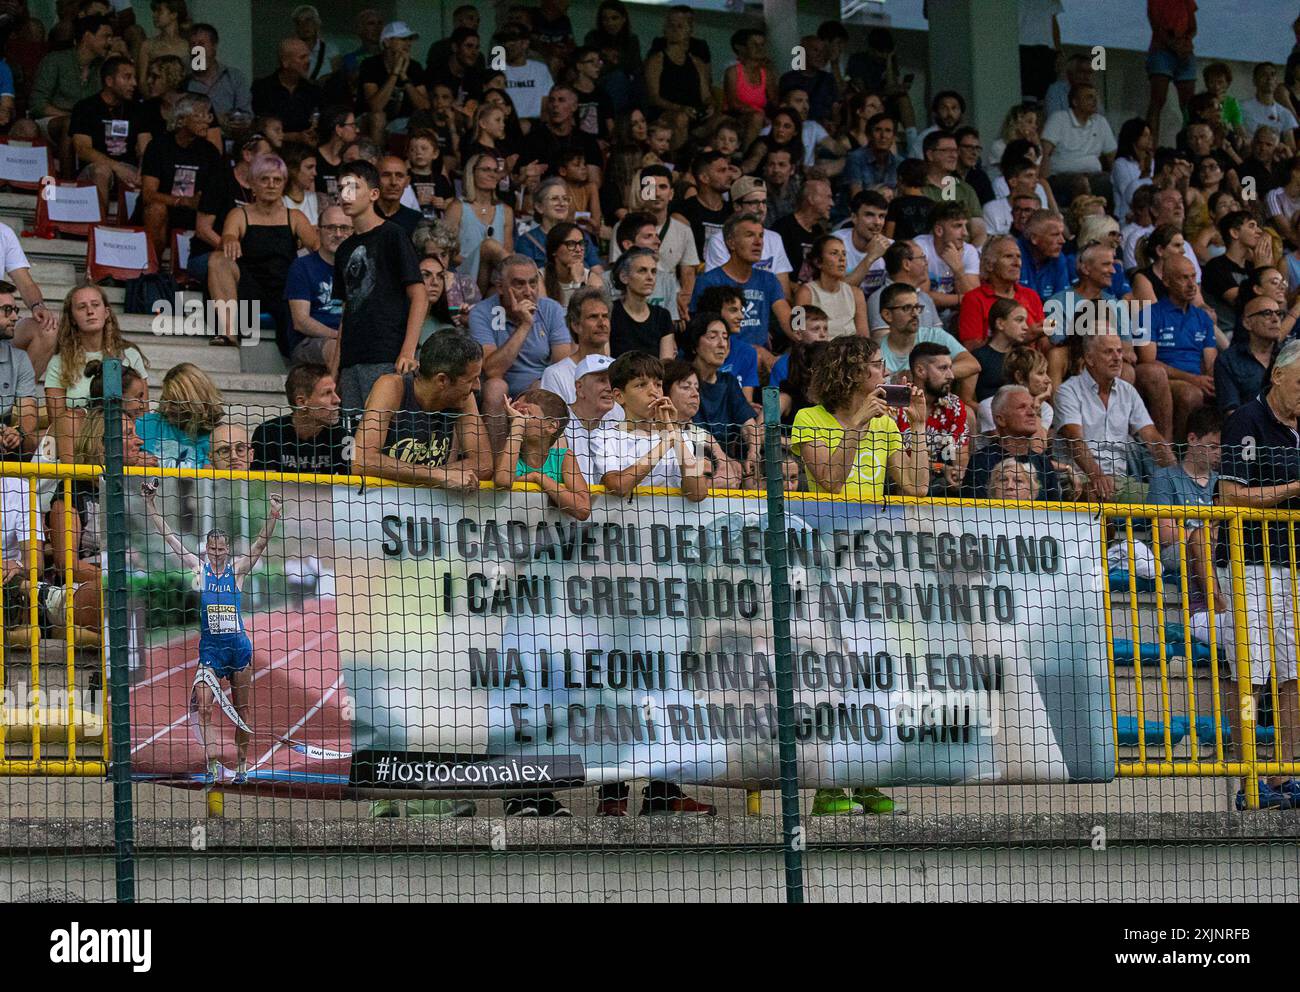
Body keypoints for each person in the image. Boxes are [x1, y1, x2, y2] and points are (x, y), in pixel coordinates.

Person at [790, 335, 927, 815]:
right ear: (849, 372)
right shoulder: (809, 420)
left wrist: (919, 429)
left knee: (872, 670)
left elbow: (916, 486)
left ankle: (864, 775)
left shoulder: (886, 422)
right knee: (829, 672)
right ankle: (829, 785)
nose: (883, 371)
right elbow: (827, 480)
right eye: (873, 364)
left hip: (869, 561)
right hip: (820, 558)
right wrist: (856, 425)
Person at [143, 479, 283, 786]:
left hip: (239, 651)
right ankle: (212, 763)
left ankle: (243, 765)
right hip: (210, 652)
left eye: (221, 549)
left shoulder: (239, 570)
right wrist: (151, 506)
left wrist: (273, 514)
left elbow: (260, 544)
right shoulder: (198, 569)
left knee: (242, 710)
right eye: (212, 549)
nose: (216, 553)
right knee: (203, 706)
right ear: (206, 549)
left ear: (227, 549)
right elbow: (169, 538)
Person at [1216, 339, 1300, 809]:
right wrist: (1294, 488)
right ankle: (1250, 770)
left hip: (1295, 565)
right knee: (1252, 673)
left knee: (1293, 674)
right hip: (1251, 563)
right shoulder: (1247, 421)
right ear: (1279, 377)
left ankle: (1285, 771)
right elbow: (1229, 495)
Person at [330, 161, 426, 414]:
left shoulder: (392, 234)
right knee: (354, 438)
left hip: (387, 353)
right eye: (341, 189)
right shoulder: (343, 249)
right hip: (352, 358)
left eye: (353, 187)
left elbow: (419, 296)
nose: (345, 195)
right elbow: (346, 310)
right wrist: (335, 368)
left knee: (385, 434)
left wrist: (407, 351)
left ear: (374, 193)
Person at [351, 330, 492, 488]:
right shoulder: (392, 388)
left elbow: (483, 464)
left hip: (426, 505)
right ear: (442, 380)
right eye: (471, 380)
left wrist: (429, 476)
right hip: (378, 503)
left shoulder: (463, 397)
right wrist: (438, 475)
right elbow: (362, 460)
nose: (477, 387)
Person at [209, 153, 319, 351]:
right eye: (264, 179)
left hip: (284, 287)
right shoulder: (240, 214)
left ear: (284, 184)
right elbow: (228, 235)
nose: (271, 185)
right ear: (252, 183)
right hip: (249, 286)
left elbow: (318, 248)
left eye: (277, 180)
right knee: (218, 260)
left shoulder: (294, 216)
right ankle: (228, 333)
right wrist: (230, 239)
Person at [1055, 330, 1174, 502]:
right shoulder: (1069, 391)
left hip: (1120, 482)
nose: (1117, 357)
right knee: (1093, 496)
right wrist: (1097, 476)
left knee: (1171, 499)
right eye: (1108, 351)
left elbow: (1152, 437)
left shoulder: (1128, 391)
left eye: (1119, 351)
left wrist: (1179, 479)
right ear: (1089, 358)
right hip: (1080, 480)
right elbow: (1075, 441)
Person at [469, 255, 572, 451]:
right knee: (495, 387)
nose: (528, 291)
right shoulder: (482, 312)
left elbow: (562, 366)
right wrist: (525, 325)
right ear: (500, 286)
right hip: (501, 392)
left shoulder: (551, 309)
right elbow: (492, 370)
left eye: (533, 283)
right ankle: (498, 462)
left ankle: (542, 462)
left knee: (544, 386)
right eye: (519, 284)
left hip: (536, 385)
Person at [44, 285, 147, 463]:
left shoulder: (130, 355)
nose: (90, 311)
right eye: (82, 307)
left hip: (124, 446)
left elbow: (141, 411)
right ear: (73, 318)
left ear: (106, 312)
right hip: (75, 448)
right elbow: (58, 421)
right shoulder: (58, 363)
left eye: (95, 305)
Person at [691, 212, 793, 365]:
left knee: (785, 372)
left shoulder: (768, 279)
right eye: (750, 235)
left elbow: (788, 318)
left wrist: (806, 328)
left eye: (761, 236)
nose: (758, 242)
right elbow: (704, 332)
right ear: (731, 243)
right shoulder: (709, 281)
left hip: (762, 363)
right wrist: (751, 350)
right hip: (724, 361)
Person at [139, 93, 223, 262]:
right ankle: (152, 268)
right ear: (182, 119)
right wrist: (184, 201)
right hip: (164, 213)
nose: (206, 121)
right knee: (156, 209)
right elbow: (148, 194)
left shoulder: (210, 152)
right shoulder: (158, 146)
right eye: (199, 115)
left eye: (208, 115)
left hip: (195, 215)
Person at [30, 14, 116, 174]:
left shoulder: (102, 68)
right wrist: (74, 117)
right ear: (87, 36)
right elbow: (38, 104)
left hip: (88, 126)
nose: (110, 42)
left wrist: (115, 64)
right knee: (71, 123)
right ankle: (68, 183)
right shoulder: (55, 60)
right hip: (51, 122)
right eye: (106, 36)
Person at [683, 311, 760, 480]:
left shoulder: (729, 382)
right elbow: (685, 427)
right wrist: (722, 459)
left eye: (725, 337)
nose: (722, 344)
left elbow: (748, 424)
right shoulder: (681, 378)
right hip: (691, 457)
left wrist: (754, 452)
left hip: (726, 460)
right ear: (695, 344)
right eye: (713, 337)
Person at [494, 387, 591, 521]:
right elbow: (503, 481)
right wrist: (517, 426)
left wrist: (538, 477)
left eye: (524, 413)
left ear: (551, 426)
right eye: (515, 413)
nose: (518, 418)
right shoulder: (508, 453)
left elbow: (583, 509)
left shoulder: (563, 458)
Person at [1150, 254, 1217, 440]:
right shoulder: (1150, 314)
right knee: (1190, 394)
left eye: (1193, 277)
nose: (1191, 284)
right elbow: (1148, 362)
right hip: (1167, 380)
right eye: (1183, 278)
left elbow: (1211, 360)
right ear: (1166, 281)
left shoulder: (1203, 317)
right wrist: (1193, 379)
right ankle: (1177, 453)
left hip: (1198, 379)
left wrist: (1214, 379)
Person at [894, 341, 975, 496]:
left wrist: (954, 473)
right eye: (943, 368)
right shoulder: (897, 405)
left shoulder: (954, 405)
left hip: (941, 489)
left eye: (950, 368)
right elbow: (898, 466)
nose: (951, 376)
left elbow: (960, 461)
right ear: (920, 371)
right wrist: (942, 468)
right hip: (901, 487)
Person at [68, 54, 144, 213]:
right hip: (94, 169)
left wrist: (142, 171)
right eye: (127, 77)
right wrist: (117, 167)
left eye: (134, 78)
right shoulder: (85, 107)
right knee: (102, 170)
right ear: (109, 81)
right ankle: (99, 225)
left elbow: (145, 146)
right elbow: (82, 150)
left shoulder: (137, 109)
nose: (134, 83)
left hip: (129, 170)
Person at [963, 385, 1064, 500]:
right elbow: (974, 512)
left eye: (1032, 407)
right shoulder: (981, 462)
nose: (1032, 413)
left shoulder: (1043, 463)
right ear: (1001, 419)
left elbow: (1054, 513)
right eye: (1022, 407)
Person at [701, 176, 793, 294]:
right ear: (737, 206)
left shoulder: (775, 238)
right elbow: (721, 290)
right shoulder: (719, 240)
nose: (761, 208)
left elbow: (783, 292)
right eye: (754, 203)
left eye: (764, 202)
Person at [283, 205, 349, 367]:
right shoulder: (302, 266)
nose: (338, 234)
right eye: (331, 228)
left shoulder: (360, 269)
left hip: (350, 340)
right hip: (310, 343)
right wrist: (338, 336)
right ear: (318, 232)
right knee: (337, 350)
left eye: (344, 228)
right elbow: (301, 321)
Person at [662, 358, 743, 490]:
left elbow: (729, 478)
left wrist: (707, 485)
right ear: (665, 392)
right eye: (686, 387)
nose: (695, 394)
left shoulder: (701, 434)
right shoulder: (647, 430)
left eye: (697, 388)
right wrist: (706, 486)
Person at [643, 6, 712, 152]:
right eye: (670, 26)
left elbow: (706, 96)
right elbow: (653, 97)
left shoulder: (697, 62)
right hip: (667, 111)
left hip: (694, 112)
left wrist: (710, 106)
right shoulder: (656, 60)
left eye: (680, 26)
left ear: (689, 31)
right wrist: (681, 108)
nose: (674, 30)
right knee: (681, 118)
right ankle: (676, 163)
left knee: (725, 122)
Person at [957, 235, 1046, 347]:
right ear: (989, 265)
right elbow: (971, 347)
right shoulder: (974, 299)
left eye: (1018, 257)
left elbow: (1044, 336)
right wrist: (1015, 338)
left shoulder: (1030, 295)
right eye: (1008, 256)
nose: (1016, 263)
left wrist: (1053, 327)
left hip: (1033, 361)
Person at [444, 154, 512, 294]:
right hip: (464, 274)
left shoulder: (506, 211)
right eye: (486, 170)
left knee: (497, 292)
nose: (492, 175)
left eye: (495, 171)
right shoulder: (457, 208)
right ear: (472, 173)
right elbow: (448, 253)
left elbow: (507, 253)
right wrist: (479, 260)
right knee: (488, 245)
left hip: (494, 276)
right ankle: (522, 273)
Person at [1041, 82, 1117, 207]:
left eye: (1094, 97)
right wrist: (1043, 184)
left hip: (1095, 176)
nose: (1094, 101)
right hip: (1062, 177)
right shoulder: (1059, 119)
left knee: (1114, 180)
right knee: (1080, 182)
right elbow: (1045, 153)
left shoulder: (1101, 122)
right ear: (1075, 102)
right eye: (1089, 97)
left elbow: (1112, 157)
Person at [135, 362, 223, 468]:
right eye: (165, 400)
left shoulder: (216, 437)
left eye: (174, 403)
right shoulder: (144, 425)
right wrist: (132, 461)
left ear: (194, 403)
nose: (167, 408)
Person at [1216, 294, 1288, 417]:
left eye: (1279, 313)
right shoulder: (1228, 360)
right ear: (1247, 323)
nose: (1276, 319)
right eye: (1267, 313)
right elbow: (1231, 411)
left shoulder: (1289, 356)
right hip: (1248, 430)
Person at [359, 21, 429, 144]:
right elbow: (375, 106)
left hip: (403, 121)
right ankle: (377, 161)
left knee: (423, 118)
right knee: (378, 117)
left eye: (409, 39)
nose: (408, 43)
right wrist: (394, 74)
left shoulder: (414, 67)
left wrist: (404, 76)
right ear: (386, 42)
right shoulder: (370, 65)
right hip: (369, 120)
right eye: (402, 39)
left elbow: (424, 106)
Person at [540, 288, 613, 404]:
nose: (602, 323)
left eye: (605, 316)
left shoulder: (620, 370)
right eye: (593, 317)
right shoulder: (556, 375)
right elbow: (553, 421)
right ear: (575, 325)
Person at [914, 201, 980, 326]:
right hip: (923, 317)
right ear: (939, 230)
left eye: (965, 226)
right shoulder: (920, 247)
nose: (965, 233)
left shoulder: (969, 251)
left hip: (954, 318)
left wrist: (958, 270)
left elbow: (976, 299)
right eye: (958, 226)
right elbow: (922, 297)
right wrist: (962, 299)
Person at [1202, 211, 1269, 333]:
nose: (1259, 231)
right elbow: (1241, 302)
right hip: (1228, 333)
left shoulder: (1251, 266)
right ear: (1235, 233)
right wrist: (1261, 271)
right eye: (1252, 226)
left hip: (1254, 332)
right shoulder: (1216, 267)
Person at [793, 235, 868, 340]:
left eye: (844, 254)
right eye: (834, 253)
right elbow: (797, 333)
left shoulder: (856, 294)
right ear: (818, 262)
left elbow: (864, 337)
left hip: (852, 354)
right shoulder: (804, 293)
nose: (842, 259)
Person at [251, 37, 322, 145]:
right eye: (302, 57)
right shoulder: (263, 88)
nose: (308, 61)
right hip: (274, 152)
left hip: (307, 152)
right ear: (285, 62)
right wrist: (293, 137)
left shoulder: (313, 91)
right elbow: (260, 128)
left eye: (308, 56)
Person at [609, 248, 673, 359]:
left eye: (653, 271)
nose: (650, 277)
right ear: (624, 277)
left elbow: (667, 365)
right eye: (642, 271)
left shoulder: (662, 316)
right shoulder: (609, 313)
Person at [866, 239, 942, 334]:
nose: (926, 263)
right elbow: (883, 343)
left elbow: (941, 337)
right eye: (922, 257)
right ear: (906, 264)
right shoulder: (879, 299)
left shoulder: (925, 298)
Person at [564, 353, 618, 482]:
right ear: (579, 387)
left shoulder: (616, 421)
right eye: (601, 380)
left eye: (613, 381)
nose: (610, 388)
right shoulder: (559, 420)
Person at [1145, 0, 1197, 131]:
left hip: (1185, 52)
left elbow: (1193, 26)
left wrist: (1184, 44)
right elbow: (1157, 26)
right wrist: (1174, 45)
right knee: (1157, 101)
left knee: (1189, 105)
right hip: (1162, 50)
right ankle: (1150, 147)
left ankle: (1189, 146)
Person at [185, 22, 251, 125]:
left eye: (201, 44)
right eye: (193, 44)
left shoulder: (234, 77)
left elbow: (246, 116)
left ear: (214, 46)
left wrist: (220, 120)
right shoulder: (184, 81)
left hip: (230, 137)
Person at [0, 281, 37, 458]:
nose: (15, 317)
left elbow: (27, 410)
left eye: (15, 310)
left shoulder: (20, 359)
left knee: (34, 441)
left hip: (4, 442)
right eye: (7, 310)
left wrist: (19, 432)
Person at [772, 175, 832, 281]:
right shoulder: (782, 229)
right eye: (828, 197)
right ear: (811, 199)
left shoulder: (819, 232)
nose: (832, 203)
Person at [1241, 62, 1299, 153]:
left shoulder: (1285, 113)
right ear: (1255, 81)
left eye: (1272, 74)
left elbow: (1291, 147)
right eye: (1264, 74)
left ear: (1276, 81)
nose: (1269, 78)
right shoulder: (1242, 107)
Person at [136, 0, 188, 85]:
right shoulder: (147, 46)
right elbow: (142, 81)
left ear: (173, 14)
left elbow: (200, 75)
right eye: (154, 11)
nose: (154, 15)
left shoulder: (190, 44)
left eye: (159, 11)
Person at [280, 140, 320, 226]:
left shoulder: (318, 200)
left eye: (315, 167)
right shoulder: (278, 201)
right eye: (309, 167)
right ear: (293, 169)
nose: (315, 173)